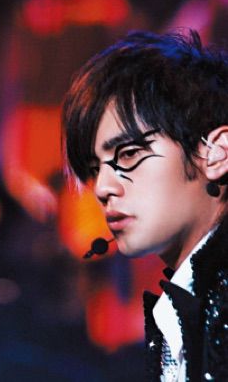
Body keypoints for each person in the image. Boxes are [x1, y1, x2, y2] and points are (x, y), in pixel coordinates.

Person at [62, 30, 228, 381]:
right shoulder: (185, 311)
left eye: (129, 154)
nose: (102, 188)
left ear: (216, 153)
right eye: (94, 169)